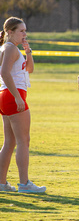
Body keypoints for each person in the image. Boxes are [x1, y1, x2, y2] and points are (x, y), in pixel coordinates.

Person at [0, 17, 46, 193]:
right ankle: (24, 183)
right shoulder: (10, 48)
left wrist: (28, 52)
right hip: (12, 96)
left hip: (7, 96)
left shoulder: (10, 48)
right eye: (21, 31)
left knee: (10, 142)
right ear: (10, 32)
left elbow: (30, 70)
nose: (25, 34)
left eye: (25, 31)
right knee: (23, 141)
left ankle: (2, 183)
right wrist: (18, 97)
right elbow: (4, 73)